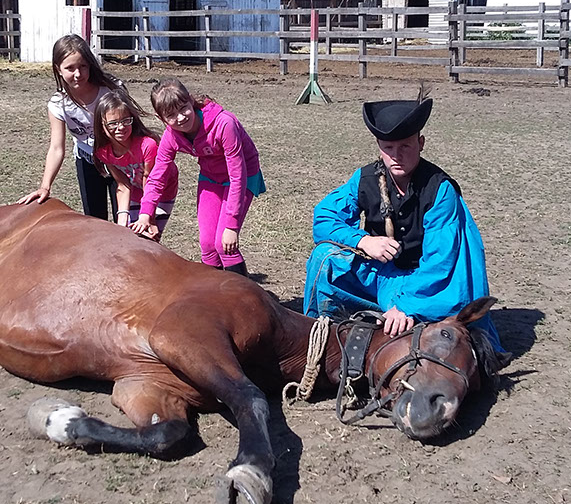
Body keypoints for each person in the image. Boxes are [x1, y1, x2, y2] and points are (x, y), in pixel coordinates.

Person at [303, 95, 505, 350]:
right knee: (324, 257)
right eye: (388, 147)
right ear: (379, 146)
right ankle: (319, 335)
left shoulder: (440, 190)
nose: (396, 156)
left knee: (448, 315)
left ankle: (404, 316)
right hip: (379, 275)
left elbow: (441, 262)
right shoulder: (365, 178)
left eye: (405, 146)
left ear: (421, 143)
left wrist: (406, 306)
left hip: (423, 284)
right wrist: (363, 241)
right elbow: (324, 217)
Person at [132, 77, 265, 276]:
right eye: (171, 115)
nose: (180, 118)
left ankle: (242, 294)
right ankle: (212, 293)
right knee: (207, 245)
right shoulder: (171, 136)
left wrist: (232, 225)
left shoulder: (224, 123)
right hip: (211, 177)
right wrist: (145, 214)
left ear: (191, 101)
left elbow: (238, 175)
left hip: (242, 176)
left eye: (183, 108)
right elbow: (158, 175)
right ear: (161, 118)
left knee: (224, 244)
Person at [16, 34, 127, 219]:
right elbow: (56, 148)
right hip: (87, 161)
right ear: (58, 69)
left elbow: (130, 127)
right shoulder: (58, 104)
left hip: (120, 160)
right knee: (93, 220)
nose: (78, 74)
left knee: (125, 218)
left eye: (83, 66)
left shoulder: (111, 90)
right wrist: (45, 186)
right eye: (70, 68)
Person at [92, 90, 178, 236]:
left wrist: (149, 219)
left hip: (161, 192)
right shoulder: (103, 152)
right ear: (101, 124)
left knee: (148, 236)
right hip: (136, 192)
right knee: (128, 234)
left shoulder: (148, 146)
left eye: (126, 121)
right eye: (113, 123)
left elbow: (150, 182)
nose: (120, 127)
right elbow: (123, 185)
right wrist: (122, 218)